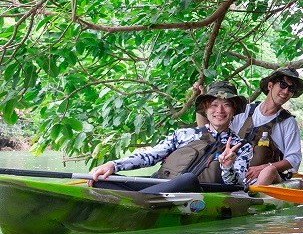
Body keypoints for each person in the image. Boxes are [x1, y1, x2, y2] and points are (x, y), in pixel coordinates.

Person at [87, 82, 253, 192]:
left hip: (198, 194)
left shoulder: (241, 147)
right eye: (214, 105)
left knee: (188, 179)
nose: (219, 111)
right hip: (161, 187)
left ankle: (137, 200)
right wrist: (113, 165)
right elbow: (150, 155)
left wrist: (227, 166)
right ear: (205, 108)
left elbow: (235, 184)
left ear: (234, 110)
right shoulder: (183, 134)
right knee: (100, 181)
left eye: (226, 105)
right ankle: (140, 198)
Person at [231, 67, 303, 185]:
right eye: (282, 85)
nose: (286, 91)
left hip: (269, 179)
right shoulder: (245, 111)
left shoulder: (288, 122)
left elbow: (294, 158)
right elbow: (215, 127)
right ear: (270, 86)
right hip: (236, 174)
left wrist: (263, 168)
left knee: (269, 171)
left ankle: (253, 196)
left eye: (291, 89)